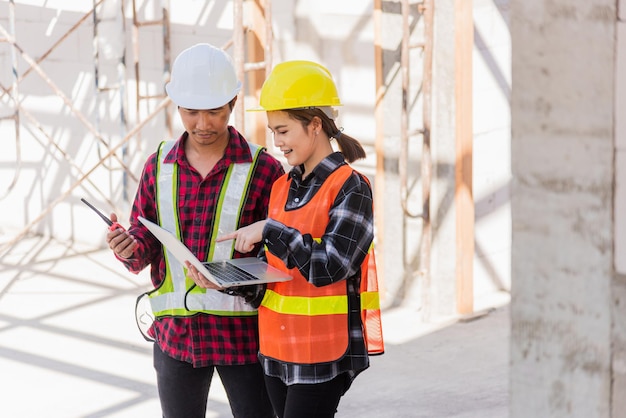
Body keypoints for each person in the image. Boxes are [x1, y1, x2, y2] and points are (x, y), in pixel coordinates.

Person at [187, 60, 385, 418]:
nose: (276, 143)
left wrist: (270, 229)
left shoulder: (351, 187)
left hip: (322, 353)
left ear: (314, 125)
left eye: (283, 131)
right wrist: (229, 282)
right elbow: (277, 278)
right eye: (272, 132)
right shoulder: (282, 187)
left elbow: (331, 267)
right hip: (277, 349)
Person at [105, 43, 283, 418]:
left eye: (214, 112)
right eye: (191, 112)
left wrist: (239, 278)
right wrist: (127, 247)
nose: (203, 124)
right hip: (176, 338)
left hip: (244, 339)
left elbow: (280, 258)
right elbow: (145, 246)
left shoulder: (264, 169)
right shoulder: (158, 166)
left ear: (233, 102)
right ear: (177, 107)